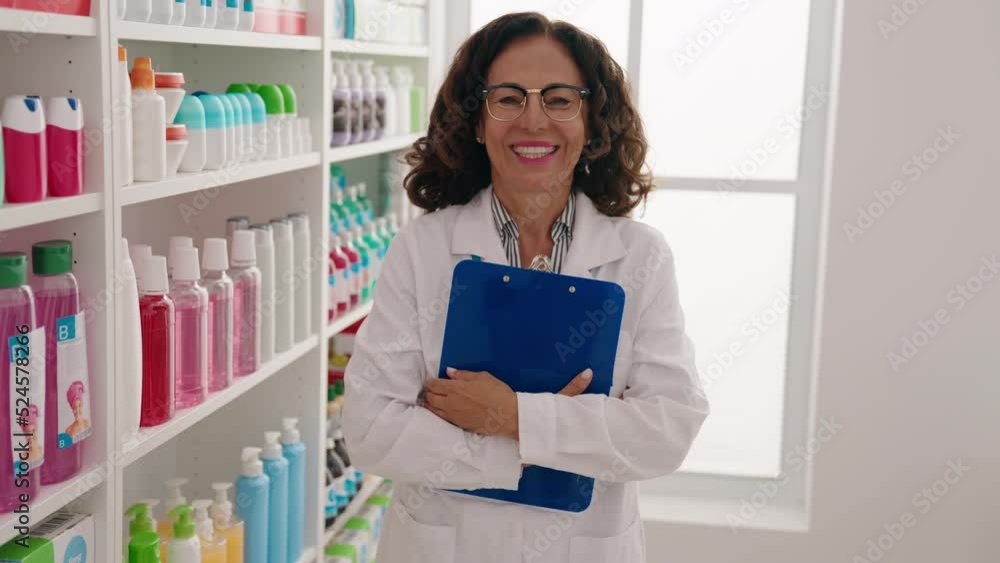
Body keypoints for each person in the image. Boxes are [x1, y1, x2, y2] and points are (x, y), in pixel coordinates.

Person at [343, 12, 709, 563]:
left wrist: (512, 415)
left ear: (592, 121)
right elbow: (371, 429)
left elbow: (667, 430)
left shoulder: (640, 258)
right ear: (475, 119)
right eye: (508, 98)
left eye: (559, 99)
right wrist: (531, 450)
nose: (533, 120)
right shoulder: (423, 249)